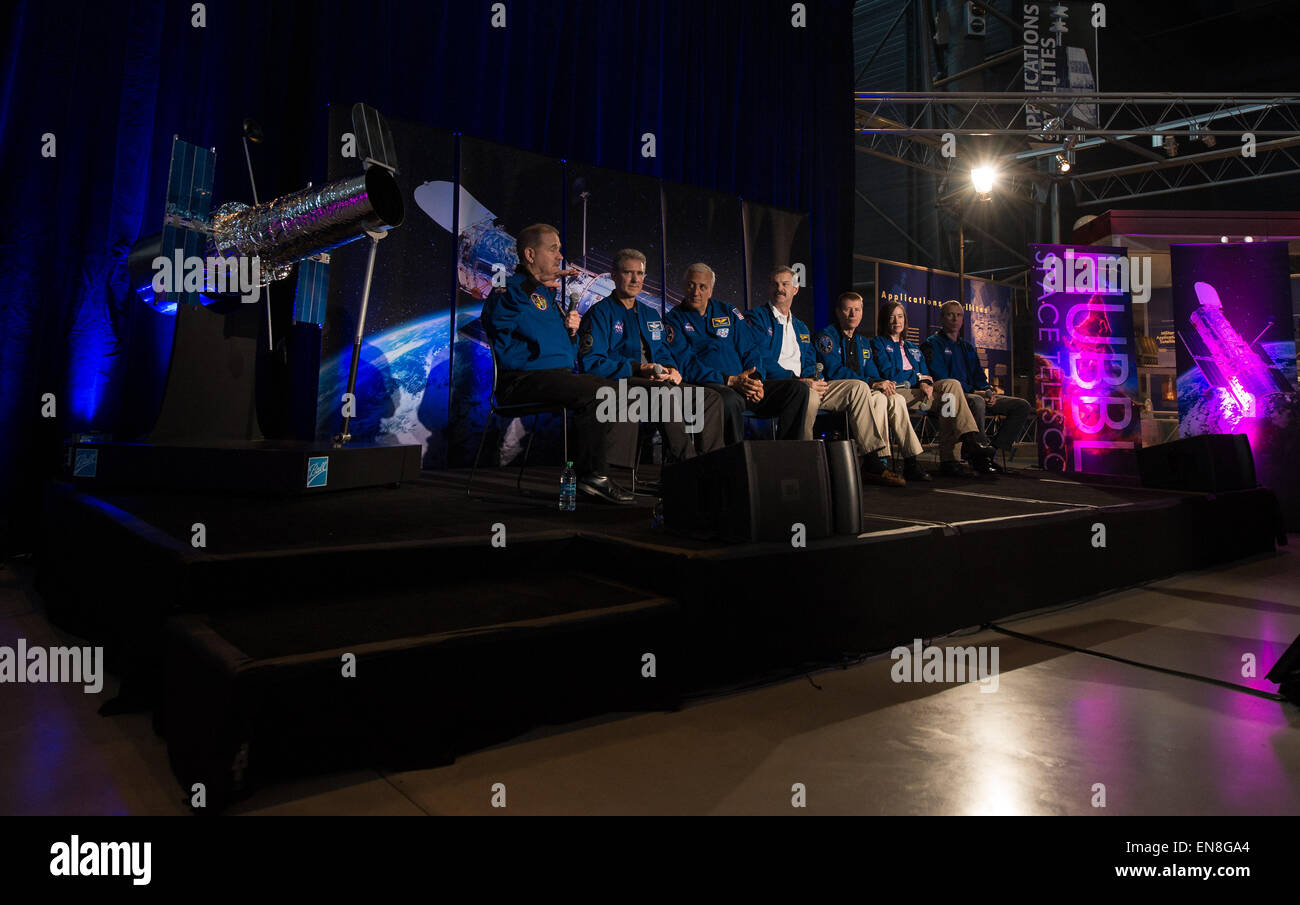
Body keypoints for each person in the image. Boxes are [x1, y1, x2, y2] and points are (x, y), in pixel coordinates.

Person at [481, 223, 635, 503]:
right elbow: (495, 317)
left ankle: (592, 474)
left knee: (615, 389)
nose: (559, 255)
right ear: (529, 254)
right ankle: (593, 476)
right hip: (520, 381)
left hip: (554, 377)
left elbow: (565, 352)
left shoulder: (546, 296)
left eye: (559, 249)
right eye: (553, 249)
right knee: (600, 393)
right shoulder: (505, 282)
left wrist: (570, 332)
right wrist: (531, 283)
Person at [747, 269, 905, 486]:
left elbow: (811, 361)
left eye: (785, 284)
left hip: (807, 383)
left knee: (858, 387)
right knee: (807, 396)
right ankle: (805, 466)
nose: (780, 289)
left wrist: (814, 379)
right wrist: (799, 381)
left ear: (795, 289)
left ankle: (872, 461)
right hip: (777, 387)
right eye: (775, 284)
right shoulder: (756, 318)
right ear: (769, 288)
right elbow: (760, 358)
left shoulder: (801, 327)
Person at [577, 248, 725, 460]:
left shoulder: (650, 314)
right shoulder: (600, 313)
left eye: (640, 274)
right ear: (614, 276)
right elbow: (592, 363)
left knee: (710, 398)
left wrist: (671, 369)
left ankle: (712, 465)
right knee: (662, 393)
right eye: (629, 273)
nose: (635, 279)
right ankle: (689, 465)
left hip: (657, 383)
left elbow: (663, 351)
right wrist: (637, 368)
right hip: (621, 385)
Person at [663, 263, 813, 443]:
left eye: (702, 287)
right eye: (691, 285)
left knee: (798, 389)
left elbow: (750, 349)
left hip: (746, 384)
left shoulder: (728, 311)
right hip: (714, 386)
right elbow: (686, 365)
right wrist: (729, 380)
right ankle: (737, 461)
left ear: (711, 291)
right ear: (684, 286)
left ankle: (788, 455)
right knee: (729, 400)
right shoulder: (673, 319)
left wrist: (755, 379)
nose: (696, 292)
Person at [870, 300, 996, 477]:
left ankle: (953, 456)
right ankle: (968, 443)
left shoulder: (912, 347)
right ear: (885, 320)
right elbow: (889, 373)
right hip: (897, 391)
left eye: (900, 316)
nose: (896, 321)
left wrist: (926, 382)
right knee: (948, 397)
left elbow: (927, 373)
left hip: (919, 392)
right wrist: (919, 378)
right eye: (891, 317)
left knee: (950, 395)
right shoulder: (878, 343)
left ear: (905, 320)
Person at [814, 291, 930, 482]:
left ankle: (907, 460)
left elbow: (873, 372)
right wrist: (871, 382)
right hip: (836, 390)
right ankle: (876, 462)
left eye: (857, 310)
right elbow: (834, 371)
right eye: (847, 309)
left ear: (862, 313)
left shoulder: (862, 342)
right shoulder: (826, 337)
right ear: (837, 312)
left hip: (862, 389)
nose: (853, 314)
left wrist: (880, 382)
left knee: (894, 398)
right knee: (871, 394)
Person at [922, 301, 1032, 470]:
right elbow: (942, 378)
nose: (955, 318)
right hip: (952, 397)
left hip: (976, 394)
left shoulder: (967, 347)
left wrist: (988, 392)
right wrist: (977, 392)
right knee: (977, 401)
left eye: (958, 315)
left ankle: (990, 450)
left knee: (1021, 406)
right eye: (950, 314)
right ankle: (979, 456)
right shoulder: (932, 344)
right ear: (942, 318)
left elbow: (980, 376)